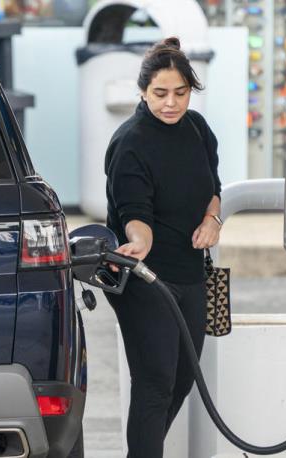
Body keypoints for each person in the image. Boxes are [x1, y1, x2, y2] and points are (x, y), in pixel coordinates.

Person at [103, 37, 222, 458]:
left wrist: (212, 220)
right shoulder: (130, 142)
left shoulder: (198, 130)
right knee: (155, 382)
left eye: (180, 93)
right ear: (142, 91)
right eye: (160, 93)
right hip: (144, 276)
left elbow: (214, 189)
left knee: (184, 378)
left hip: (190, 271)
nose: (171, 103)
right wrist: (139, 242)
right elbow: (134, 212)